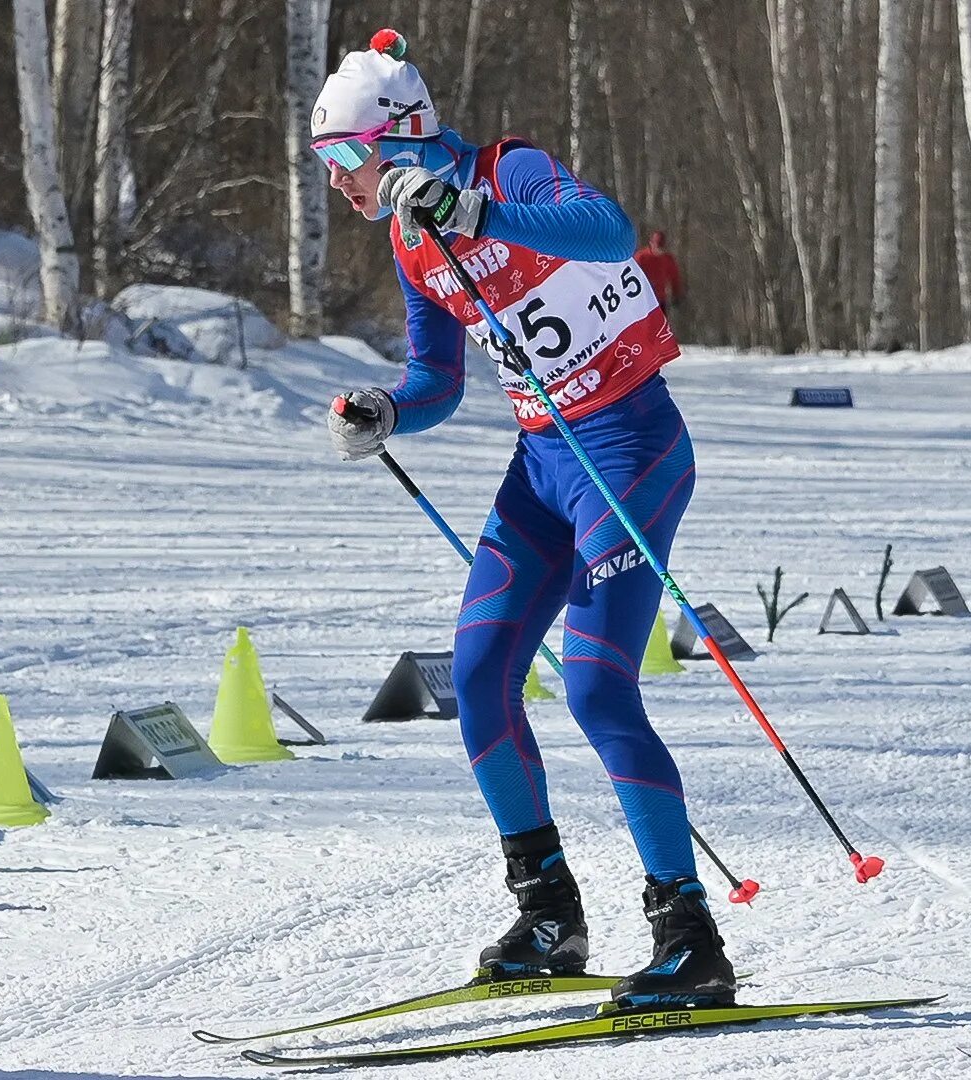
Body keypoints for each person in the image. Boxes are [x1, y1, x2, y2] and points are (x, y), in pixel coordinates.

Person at [314, 29, 734, 1011]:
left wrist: (483, 209)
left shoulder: (510, 169)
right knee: (478, 673)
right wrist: (388, 411)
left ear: (404, 136)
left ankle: (689, 934)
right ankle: (549, 915)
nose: (336, 181)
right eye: (325, 162)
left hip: (630, 453)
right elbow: (436, 380)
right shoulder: (412, 241)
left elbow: (611, 230)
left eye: (345, 157)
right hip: (544, 471)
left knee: (594, 685)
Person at [633, 231, 684, 312]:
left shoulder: (667, 259)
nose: (659, 251)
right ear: (651, 243)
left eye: (661, 248)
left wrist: (676, 294)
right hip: (643, 300)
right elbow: (631, 275)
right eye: (657, 247)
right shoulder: (641, 257)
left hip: (660, 300)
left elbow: (675, 278)